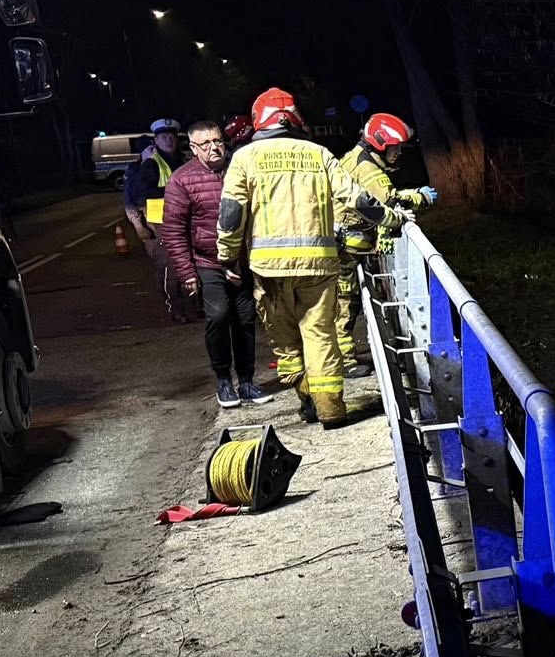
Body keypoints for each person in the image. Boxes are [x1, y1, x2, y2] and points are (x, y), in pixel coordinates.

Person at [216, 87, 382, 429]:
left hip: (269, 271)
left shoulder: (244, 158)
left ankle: (306, 398)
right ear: (294, 119)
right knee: (321, 338)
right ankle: (332, 411)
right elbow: (357, 198)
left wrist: (227, 256)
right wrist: (390, 217)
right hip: (319, 268)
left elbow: (231, 214)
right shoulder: (319, 154)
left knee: (287, 344)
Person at [160, 120, 271, 410]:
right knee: (219, 315)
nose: (214, 148)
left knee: (245, 319)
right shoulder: (182, 180)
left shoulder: (239, 169)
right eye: (206, 144)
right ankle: (223, 379)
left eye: (218, 141)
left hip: (243, 259)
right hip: (207, 262)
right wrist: (187, 273)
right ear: (194, 148)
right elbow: (173, 230)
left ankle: (247, 380)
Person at [334, 112, 438, 377]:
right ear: (380, 144)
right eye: (395, 148)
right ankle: (344, 362)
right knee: (345, 301)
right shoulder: (369, 170)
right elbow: (388, 202)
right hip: (345, 247)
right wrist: (419, 197)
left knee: (346, 300)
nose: (398, 153)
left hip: (344, 244)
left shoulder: (357, 159)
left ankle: (344, 356)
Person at [125, 118, 197, 321]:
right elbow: (141, 195)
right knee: (170, 269)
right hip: (162, 224)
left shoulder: (184, 160)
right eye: (163, 136)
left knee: (190, 265)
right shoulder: (151, 164)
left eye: (171, 135)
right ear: (155, 140)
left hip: (188, 221)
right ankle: (176, 309)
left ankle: (193, 305)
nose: (168, 139)